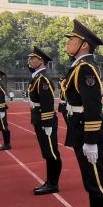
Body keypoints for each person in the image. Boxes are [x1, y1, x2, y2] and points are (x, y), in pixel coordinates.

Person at [62, 20, 103, 207]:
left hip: (90, 132)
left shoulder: (85, 69)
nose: (68, 43)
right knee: (91, 184)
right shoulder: (78, 67)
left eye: (72, 40)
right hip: (80, 130)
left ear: (84, 45)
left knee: (98, 185)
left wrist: (91, 140)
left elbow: (92, 106)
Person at [26, 47, 63, 195]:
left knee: (51, 152)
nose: (29, 60)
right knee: (47, 152)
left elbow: (47, 103)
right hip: (39, 119)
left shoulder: (43, 79)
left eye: (32, 58)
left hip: (45, 120)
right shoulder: (37, 77)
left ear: (41, 61)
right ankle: (50, 181)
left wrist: (47, 124)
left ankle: (53, 184)